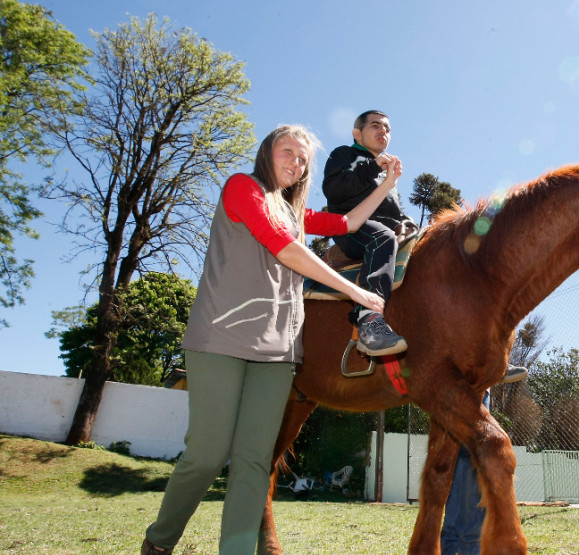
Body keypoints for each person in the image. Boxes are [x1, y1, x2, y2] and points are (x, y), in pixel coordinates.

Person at [141, 124, 401, 555]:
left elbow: (350, 222)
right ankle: (159, 541)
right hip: (221, 339)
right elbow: (285, 249)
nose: (295, 163)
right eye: (287, 151)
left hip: (279, 350)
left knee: (254, 460)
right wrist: (356, 293)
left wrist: (387, 184)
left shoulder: (294, 212)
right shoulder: (243, 188)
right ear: (267, 152)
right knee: (207, 454)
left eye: (303, 159)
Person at [323, 110, 413, 356]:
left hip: (388, 228)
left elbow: (390, 209)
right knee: (382, 237)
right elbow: (333, 190)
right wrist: (372, 168)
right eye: (375, 125)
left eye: (387, 128)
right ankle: (368, 319)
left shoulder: (385, 169)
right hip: (352, 225)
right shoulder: (344, 154)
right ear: (357, 134)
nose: (383, 130)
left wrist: (405, 222)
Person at [440, 366, 527, 555]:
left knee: (460, 456)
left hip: (457, 385)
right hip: (465, 382)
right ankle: (470, 544)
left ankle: (454, 544)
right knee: (472, 454)